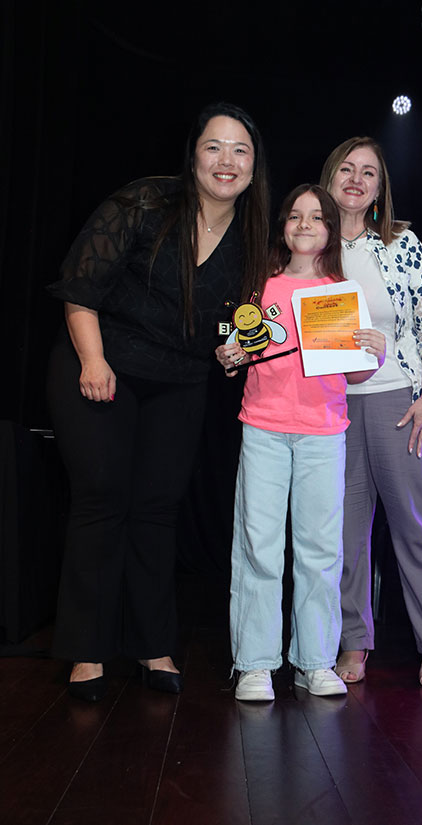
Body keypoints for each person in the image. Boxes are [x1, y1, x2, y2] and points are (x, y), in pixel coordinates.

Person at [46, 102, 270, 702]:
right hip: (101, 363)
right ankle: (87, 651)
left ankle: (152, 645)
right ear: (193, 154)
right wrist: (93, 360)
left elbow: (230, 321)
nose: (226, 160)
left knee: (156, 509)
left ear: (254, 166)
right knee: (101, 500)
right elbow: (80, 288)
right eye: (214, 146)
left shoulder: (252, 236)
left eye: (240, 150)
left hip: (180, 380)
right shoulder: (145, 201)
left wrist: (229, 350)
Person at [216, 184, 385, 701]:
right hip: (264, 428)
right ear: (283, 227)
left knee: (320, 550)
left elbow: (355, 374)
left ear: (330, 229)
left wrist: (374, 354)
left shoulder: (340, 292)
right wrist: (229, 355)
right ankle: (254, 665)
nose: (305, 225)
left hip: (323, 434)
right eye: (295, 216)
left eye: (316, 217)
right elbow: (239, 347)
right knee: (259, 547)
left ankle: (315, 661)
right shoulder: (260, 287)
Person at [319, 137, 422, 688]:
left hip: (401, 400)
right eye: (346, 169)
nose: (356, 179)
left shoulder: (402, 243)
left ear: (379, 188)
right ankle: (353, 642)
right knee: (344, 535)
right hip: (332, 407)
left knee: (416, 528)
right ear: (329, 177)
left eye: (369, 173)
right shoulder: (311, 245)